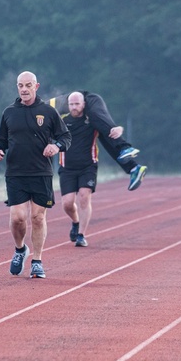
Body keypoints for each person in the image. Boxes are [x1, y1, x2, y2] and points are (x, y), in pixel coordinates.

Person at [0, 70, 71, 278]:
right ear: (17, 87)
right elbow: (0, 140)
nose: (24, 89)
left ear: (36, 86)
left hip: (41, 172)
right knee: (18, 218)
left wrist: (56, 146)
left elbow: (65, 137)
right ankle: (20, 249)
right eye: (20, 85)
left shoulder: (48, 112)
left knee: (37, 217)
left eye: (28, 85)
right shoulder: (9, 112)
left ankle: (37, 260)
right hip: (16, 173)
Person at [48, 91, 147, 191]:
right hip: (84, 109)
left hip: (90, 99)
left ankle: (125, 147)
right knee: (106, 140)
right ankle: (133, 168)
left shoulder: (44, 107)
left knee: (96, 118)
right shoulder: (44, 112)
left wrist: (115, 127)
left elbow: (102, 117)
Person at [58, 92, 100, 247]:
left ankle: (81, 235)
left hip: (88, 166)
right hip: (67, 167)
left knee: (84, 196)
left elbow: (106, 127)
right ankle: (75, 222)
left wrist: (115, 131)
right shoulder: (62, 121)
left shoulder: (92, 120)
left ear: (83, 104)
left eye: (77, 104)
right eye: (71, 104)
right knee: (67, 203)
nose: (74, 107)